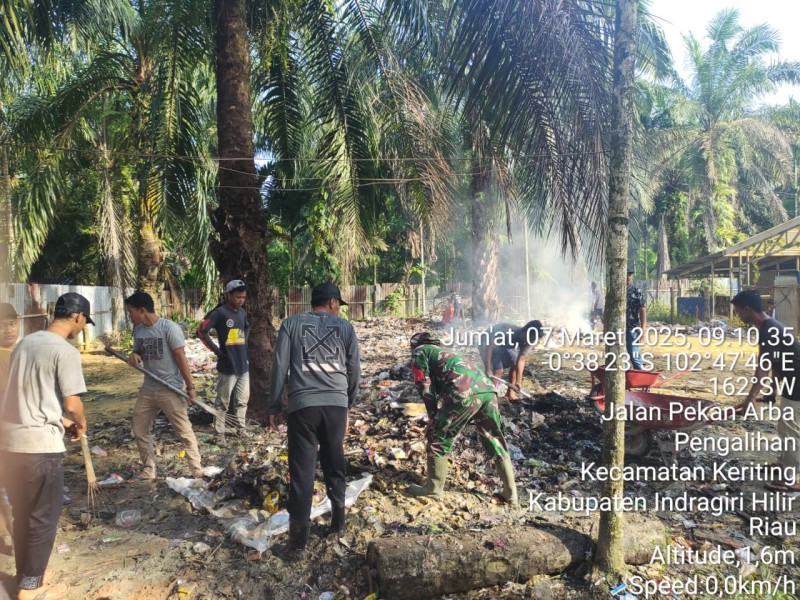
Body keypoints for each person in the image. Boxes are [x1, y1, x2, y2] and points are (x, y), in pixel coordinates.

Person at [0, 293, 92, 600]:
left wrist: (60, 421)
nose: (82, 329)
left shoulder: (24, 344)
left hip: (11, 444)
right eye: (83, 323)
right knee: (43, 516)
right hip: (40, 449)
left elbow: (28, 399)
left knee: (23, 513)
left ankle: (24, 576)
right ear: (77, 318)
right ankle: (31, 589)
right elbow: (72, 403)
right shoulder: (64, 351)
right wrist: (78, 424)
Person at [268, 283, 360, 560]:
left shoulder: (291, 324)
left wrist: (274, 405)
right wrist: (348, 403)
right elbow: (354, 368)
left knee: (302, 472)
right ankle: (339, 525)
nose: (339, 309)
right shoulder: (345, 328)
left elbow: (279, 366)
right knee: (335, 462)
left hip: (302, 406)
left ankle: (296, 546)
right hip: (335, 406)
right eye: (339, 304)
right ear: (332, 302)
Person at [408, 332, 517, 505]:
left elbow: (424, 386)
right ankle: (511, 493)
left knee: (438, 437)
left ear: (414, 344)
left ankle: (433, 490)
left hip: (463, 393)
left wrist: (433, 416)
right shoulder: (446, 351)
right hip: (488, 390)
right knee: (494, 438)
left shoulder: (420, 351)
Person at [124, 291, 203, 480]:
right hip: (148, 390)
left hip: (170, 390)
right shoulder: (139, 331)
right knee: (140, 429)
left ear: (142, 310)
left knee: (184, 431)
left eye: (131, 312)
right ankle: (149, 469)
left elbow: (181, 358)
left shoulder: (169, 328)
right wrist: (135, 356)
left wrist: (190, 387)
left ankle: (197, 469)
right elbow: (138, 352)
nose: (129, 316)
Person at [732, 290, 800, 492]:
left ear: (748, 309)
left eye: (737, 311)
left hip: (798, 382)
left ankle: (792, 478)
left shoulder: (769, 330)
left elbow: (762, 370)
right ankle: (784, 465)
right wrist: (771, 392)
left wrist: (748, 400)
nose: (737, 315)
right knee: (785, 426)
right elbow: (776, 366)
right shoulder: (769, 326)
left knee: (789, 427)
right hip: (792, 381)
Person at [197, 279, 250, 434]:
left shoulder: (242, 313)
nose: (241, 300)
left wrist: (244, 342)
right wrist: (218, 352)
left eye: (243, 297)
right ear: (229, 295)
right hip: (228, 366)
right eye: (238, 297)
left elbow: (246, 328)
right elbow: (201, 331)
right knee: (222, 403)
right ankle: (219, 432)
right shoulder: (219, 313)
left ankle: (241, 430)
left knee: (242, 401)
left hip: (243, 365)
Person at [0, 303, 20, 556]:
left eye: (11, 324)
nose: (8, 330)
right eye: (2, 325)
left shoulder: (20, 349)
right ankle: (15, 541)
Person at [481, 320, 542, 400]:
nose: (531, 342)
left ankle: (510, 393)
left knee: (514, 362)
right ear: (526, 332)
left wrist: (518, 381)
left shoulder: (530, 340)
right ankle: (491, 398)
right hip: (486, 342)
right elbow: (489, 347)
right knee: (498, 369)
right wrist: (487, 368)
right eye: (531, 338)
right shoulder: (509, 332)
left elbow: (521, 360)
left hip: (502, 346)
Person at [626, 270, 647, 370]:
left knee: (633, 354)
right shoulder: (615, 292)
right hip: (617, 330)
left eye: (630, 275)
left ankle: (642, 375)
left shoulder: (636, 292)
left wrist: (643, 330)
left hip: (633, 329)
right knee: (620, 356)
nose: (628, 277)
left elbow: (642, 312)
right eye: (626, 275)